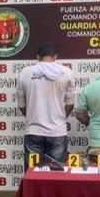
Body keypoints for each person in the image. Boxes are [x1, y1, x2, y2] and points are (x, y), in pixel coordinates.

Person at [16, 43, 74, 171]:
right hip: (57, 131)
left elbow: (21, 105)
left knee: (33, 173)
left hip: (33, 131)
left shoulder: (25, 73)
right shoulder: (67, 72)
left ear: (37, 56)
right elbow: (70, 103)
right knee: (56, 175)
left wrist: (32, 116)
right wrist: (61, 118)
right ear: (55, 57)